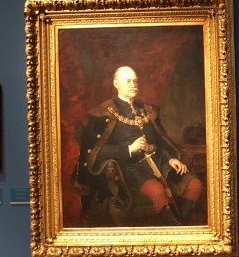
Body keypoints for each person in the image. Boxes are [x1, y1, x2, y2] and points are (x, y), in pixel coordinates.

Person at [73, 66, 202, 226]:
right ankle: (177, 229)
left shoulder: (148, 110)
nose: (133, 85)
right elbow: (96, 152)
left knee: (195, 184)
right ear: (116, 84)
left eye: (135, 81)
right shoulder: (102, 113)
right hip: (128, 169)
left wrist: (171, 159)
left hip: (160, 163)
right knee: (157, 191)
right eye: (128, 81)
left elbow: (161, 142)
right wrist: (129, 149)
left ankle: (181, 228)